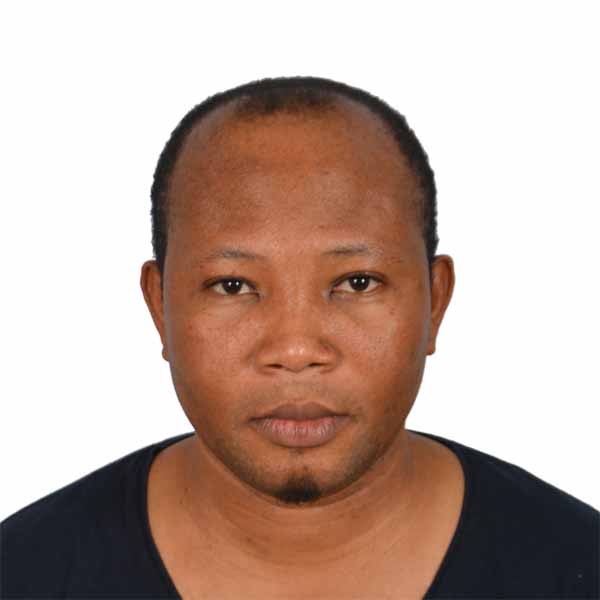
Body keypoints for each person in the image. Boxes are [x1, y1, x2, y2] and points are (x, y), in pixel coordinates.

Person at [2, 76, 598, 599]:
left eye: (357, 282)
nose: (295, 350)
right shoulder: (23, 573)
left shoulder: (579, 566)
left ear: (435, 302)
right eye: (234, 285)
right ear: (159, 306)